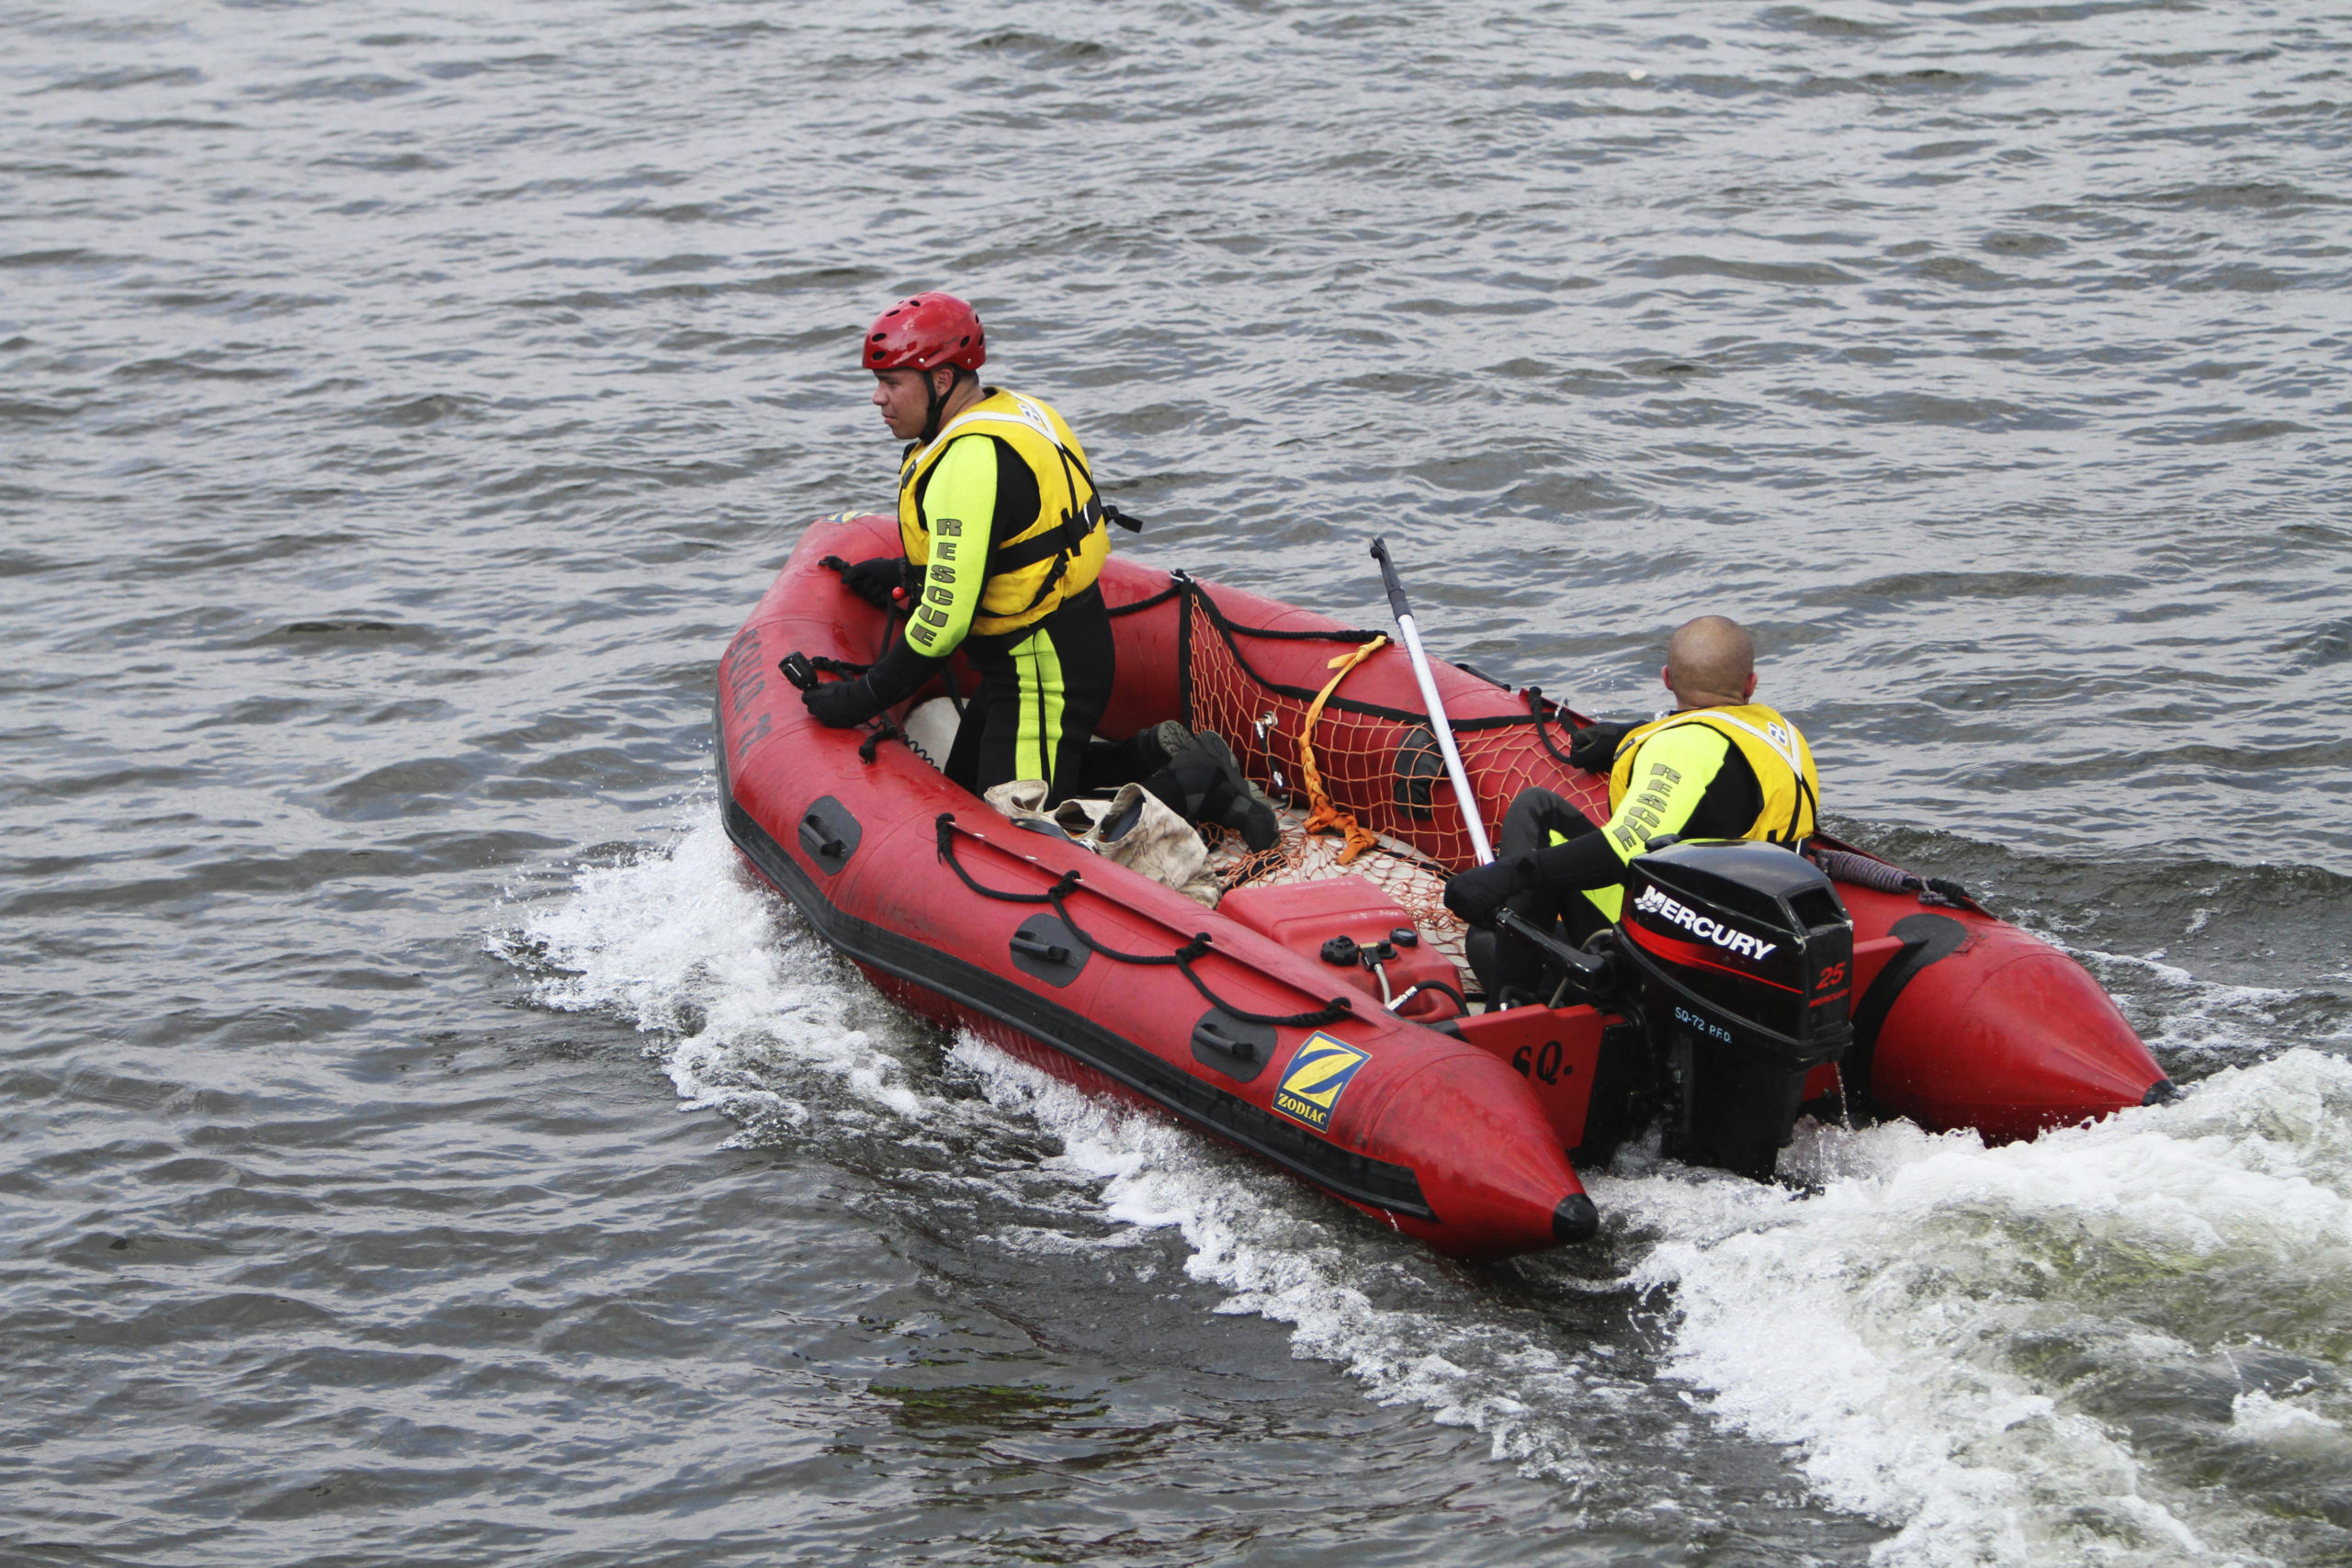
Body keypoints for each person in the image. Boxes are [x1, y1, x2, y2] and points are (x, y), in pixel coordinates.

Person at [804, 291, 1276, 845]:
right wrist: (903, 574)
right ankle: (1148, 754)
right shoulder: (1009, 410)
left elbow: (942, 624)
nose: (877, 398)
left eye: (893, 383)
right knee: (965, 791)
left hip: (1043, 670)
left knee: (1017, 832)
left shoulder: (969, 461)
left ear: (941, 381)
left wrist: (858, 701)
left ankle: (1197, 784)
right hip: (1045, 647)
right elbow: (1003, 547)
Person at [1443, 615, 1820, 1004]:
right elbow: (1721, 746)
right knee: (1537, 825)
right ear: (1750, 683)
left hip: (1682, 945)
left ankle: (1512, 1008)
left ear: (1667, 679)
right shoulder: (1782, 735)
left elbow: (1620, 851)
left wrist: (1505, 876)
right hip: (1753, 925)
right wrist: (1629, 735)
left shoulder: (1683, 749)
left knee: (1529, 825)